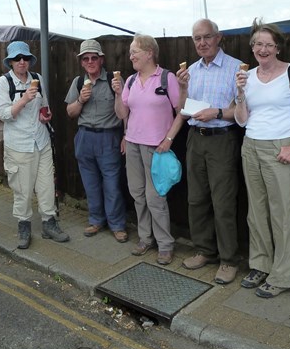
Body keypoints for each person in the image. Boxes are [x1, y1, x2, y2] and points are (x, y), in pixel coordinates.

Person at [234, 19, 290, 298]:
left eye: (269, 44)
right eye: (258, 43)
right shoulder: (248, 76)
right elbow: (242, 120)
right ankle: (260, 264)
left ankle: (282, 276)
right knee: (256, 213)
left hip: (280, 148)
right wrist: (240, 94)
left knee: (281, 215)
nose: (263, 49)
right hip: (251, 146)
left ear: (278, 48)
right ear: (253, 47)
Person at [175, 18, 242, 285]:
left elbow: (243, 111)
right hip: (195, 138)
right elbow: (182, 109)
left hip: (222, 139)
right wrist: (181, 88)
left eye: (206, 37)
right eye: (197, 39)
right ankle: (205, 251)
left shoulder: (237, 68)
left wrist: (216, 112)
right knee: (196, 199)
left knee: (223, 202)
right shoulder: (191, 70)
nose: (202, 43)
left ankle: (228, 260)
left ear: (218, 37)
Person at [112, 34, 186, 265]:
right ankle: (145, 238)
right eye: (130, 52)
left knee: (155, 197)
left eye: (135, 51)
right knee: (137, 194)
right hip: (133, 143)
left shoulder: (167, 78)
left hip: (157, 147)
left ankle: (165, 244)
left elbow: (182, 111)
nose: (131, 55)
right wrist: (117, 93)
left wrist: (169, 139)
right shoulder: (131, 81)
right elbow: (122, 113)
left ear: (149, 53)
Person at [0, 41, 70, 249]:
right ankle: (24, 224)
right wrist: (23, 100)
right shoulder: (4, 83)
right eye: (17, 58)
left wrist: (46, 115)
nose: (22, 62)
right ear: (10, 62)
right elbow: (4, 114)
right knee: (23, 189)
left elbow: (44, 106)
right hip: (18, 145)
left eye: (25, 58)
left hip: (41, 141)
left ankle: (49, 222)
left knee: (47, 185)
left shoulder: (37, 79)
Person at [64, 39, 127, 243]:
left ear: (101, 59)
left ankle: (117, 225)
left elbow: (126, 113)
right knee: (90, 184)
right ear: (81, 62)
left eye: (94, 58)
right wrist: (81, 100)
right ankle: (96, 220)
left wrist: (125, 136)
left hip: (109, 137)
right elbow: (70, 112)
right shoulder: (78, 82)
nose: (90, 61)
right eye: (86, 58)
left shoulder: (114, 80)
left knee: (112, 185)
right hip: (85, 137)